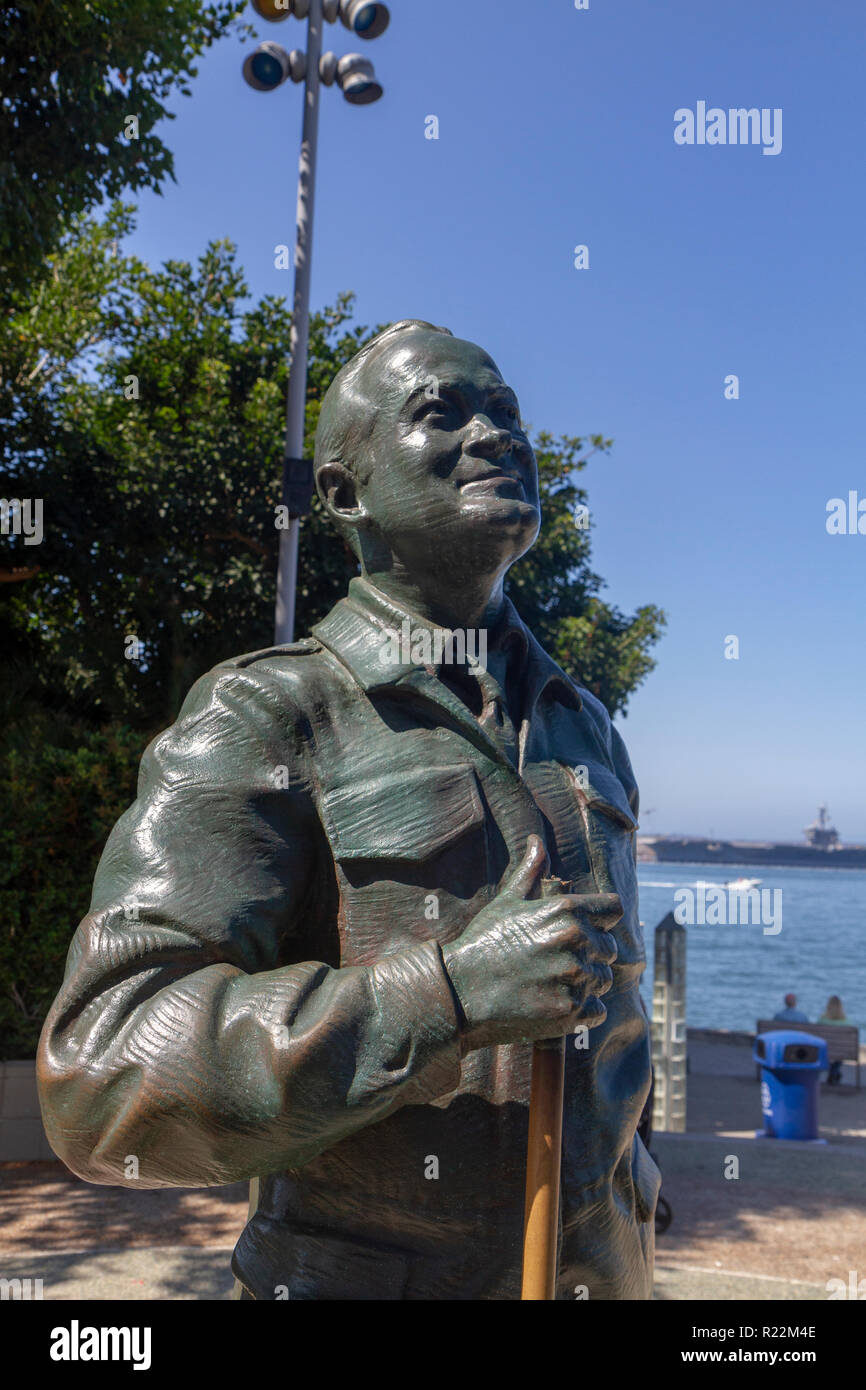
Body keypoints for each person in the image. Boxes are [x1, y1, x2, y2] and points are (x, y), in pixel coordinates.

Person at [37, 320, 659, 1300]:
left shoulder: (585, 726)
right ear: (344, 490)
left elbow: (620, 1006)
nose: (496, 434)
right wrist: (443, 995)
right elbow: (103, 1079)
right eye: (439, 413)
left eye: (503, 411)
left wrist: (634, 1172)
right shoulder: (267, 715)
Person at [818, 995, 850, 1085]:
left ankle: (833, 1072)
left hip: (825, 1051)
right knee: (838, 1053)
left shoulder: (822, 1021)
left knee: (830, 1050)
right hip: (840, 1052)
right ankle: (834, 1071)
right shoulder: (847, 1022)